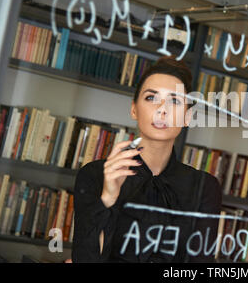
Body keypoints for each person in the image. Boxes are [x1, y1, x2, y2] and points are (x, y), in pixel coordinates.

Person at [71, 56, 222, 263]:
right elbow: (85, 259)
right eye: (151, 98)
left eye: (175, 101)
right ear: (134, 109)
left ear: (187, 117)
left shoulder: (204, 187)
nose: (162, 109)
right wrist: (108, 197)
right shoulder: (95, 175)